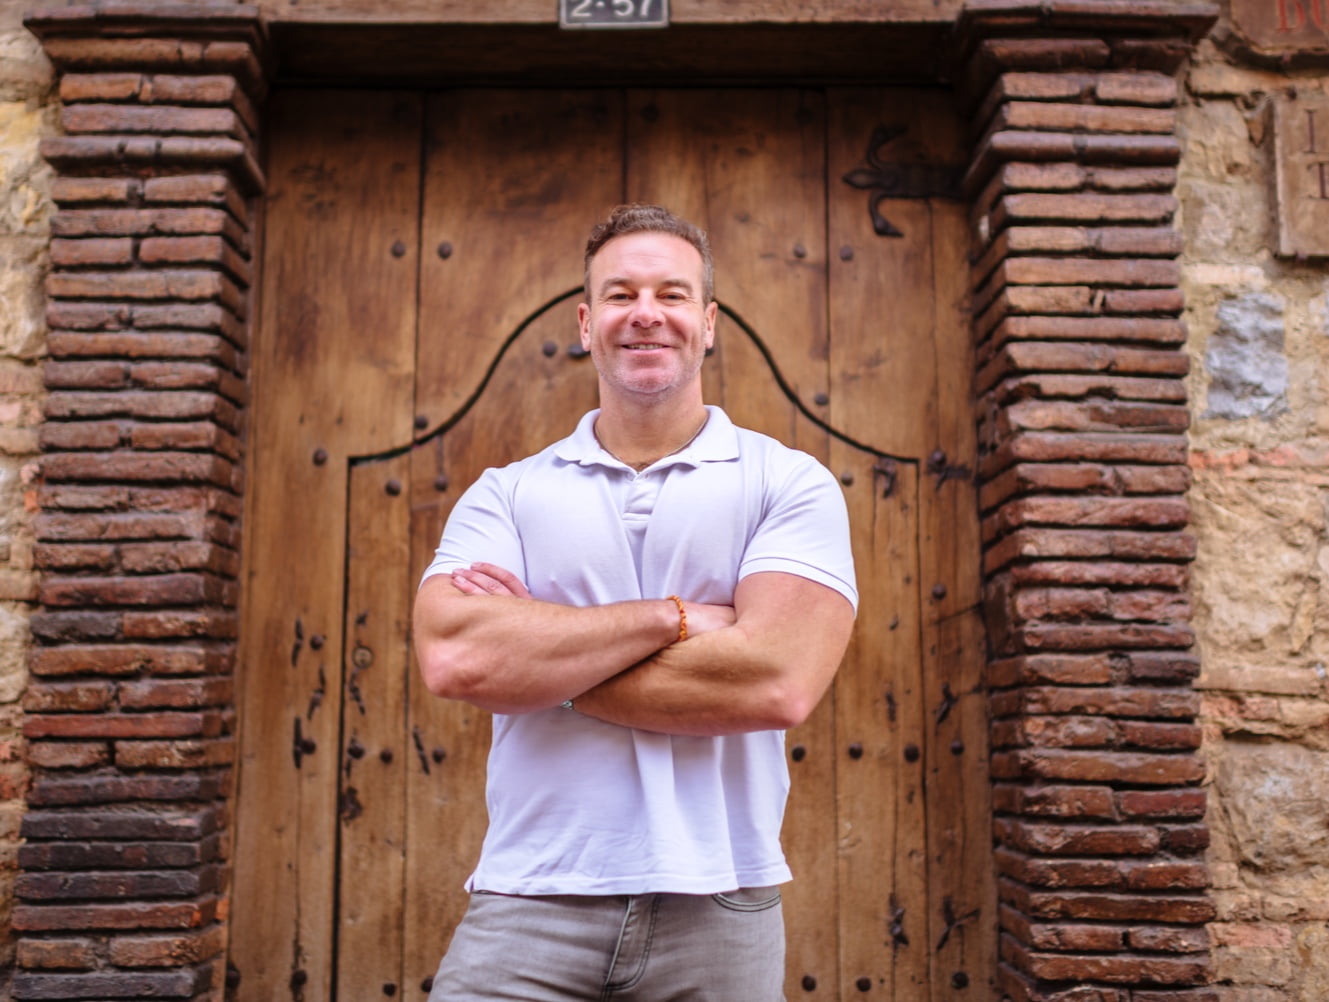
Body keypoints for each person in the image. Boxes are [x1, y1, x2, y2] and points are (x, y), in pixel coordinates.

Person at [413, 204, 857, 1001]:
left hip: (719, 896)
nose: (645, 313)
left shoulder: (786, 482)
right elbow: (456, 658)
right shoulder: (506, 495)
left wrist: (539, 664)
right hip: (530, 891)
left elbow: (776, 683)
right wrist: (674, 619)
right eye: (619, 295)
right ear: (585, 324)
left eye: (672, 294)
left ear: (709, 322)